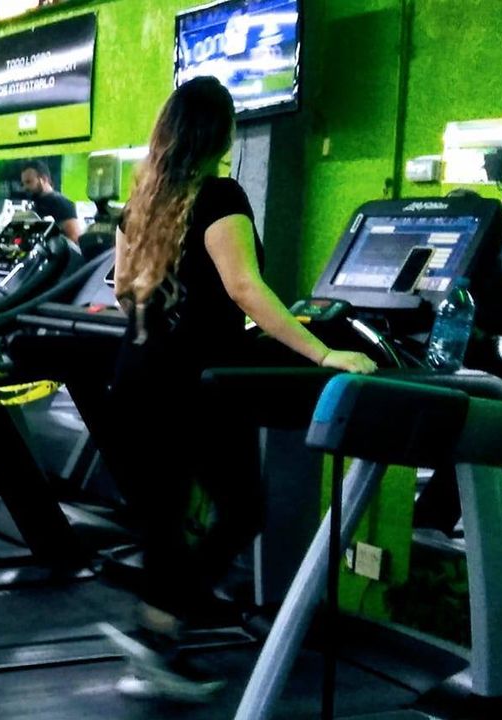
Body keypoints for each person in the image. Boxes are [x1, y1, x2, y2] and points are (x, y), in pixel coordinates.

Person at [102, 76, 377, 701]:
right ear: (222, 133)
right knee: (243, 508)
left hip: (136, 376)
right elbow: (245, 288)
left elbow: (122, 289)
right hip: (198, 386)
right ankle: (166, 621)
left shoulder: (141, 202)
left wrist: (165, 323)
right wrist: (323, 351)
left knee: (166, 517)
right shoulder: (221, 195)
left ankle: (159, 630)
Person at [19, 160, 82, 243]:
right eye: (23, 184)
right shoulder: (33, 204)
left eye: (29, 182)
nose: (25, 188)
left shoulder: (61, 203)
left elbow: (74, 238)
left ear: (44, 179)